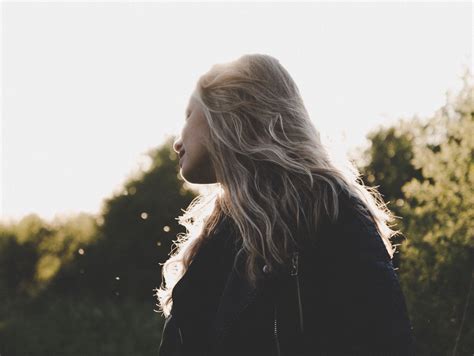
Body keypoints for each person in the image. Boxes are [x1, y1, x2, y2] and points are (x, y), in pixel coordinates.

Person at [155, 54, 416, 356]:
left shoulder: (328, 210)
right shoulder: (215, 235)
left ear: (229, 110)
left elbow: (385, 339)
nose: (177, 140)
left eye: (188, 115)